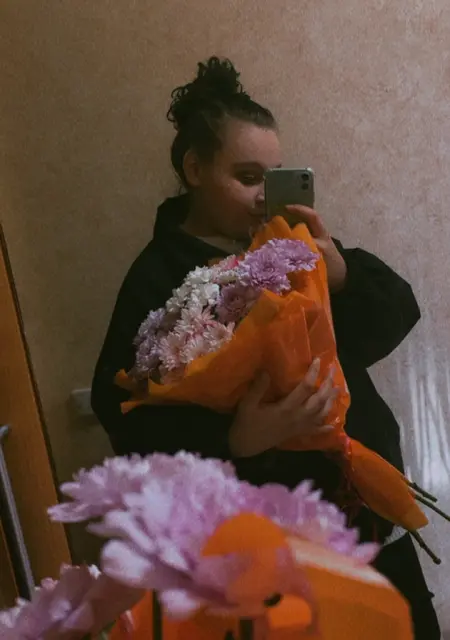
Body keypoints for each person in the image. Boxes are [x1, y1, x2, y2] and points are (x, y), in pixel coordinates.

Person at [91, 57, 440, 638]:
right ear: (195, 168)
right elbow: (122, 415)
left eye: (274, 177)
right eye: (247, 176)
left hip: (371, 512)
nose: (263, 196)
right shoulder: (158, 278)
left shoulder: (294, 246)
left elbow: (391, 319)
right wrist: (236, 440)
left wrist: (342, 273)